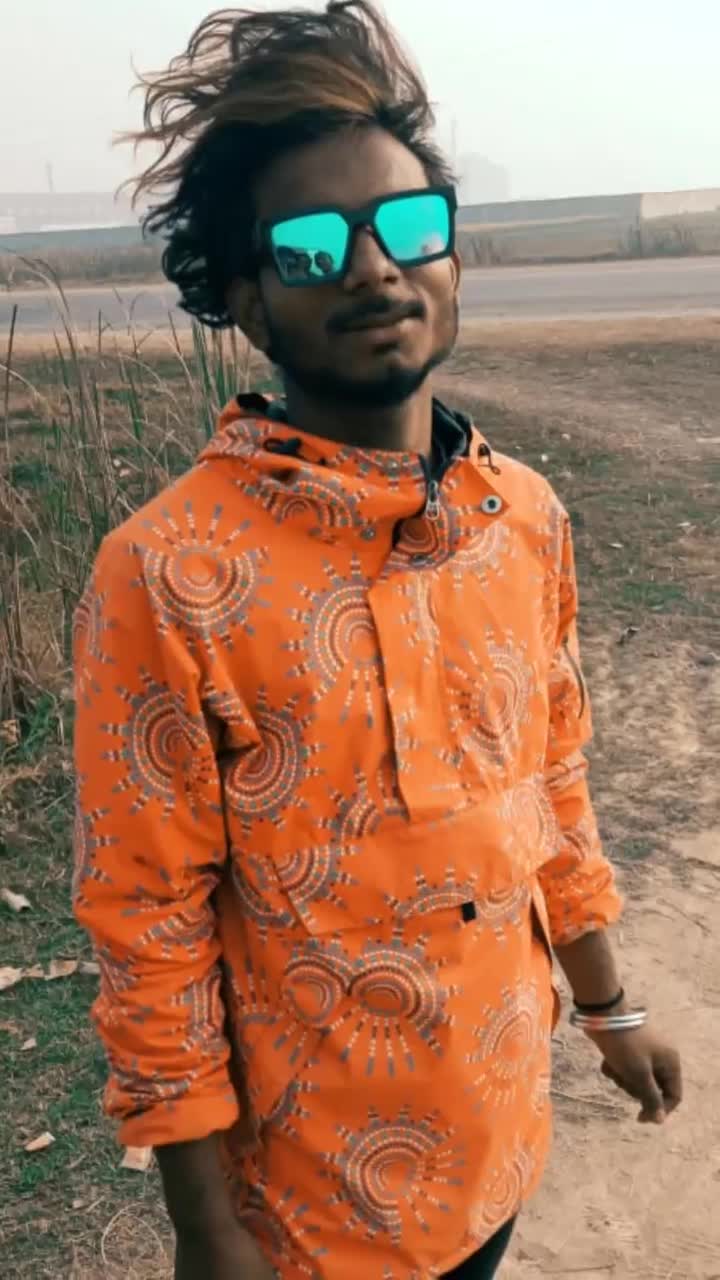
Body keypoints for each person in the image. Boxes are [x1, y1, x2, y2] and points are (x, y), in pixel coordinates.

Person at [72, 4, 683, 1278]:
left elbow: (552, 786)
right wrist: (206, 1226)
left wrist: (609, 1004)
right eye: (310, 247)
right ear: (247, 299)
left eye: (407, 227)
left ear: (451, 256)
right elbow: (148, 920)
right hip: (308, 1215)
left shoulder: (523, 517)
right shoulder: (169, 572)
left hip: (499, 1142)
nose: (371, 269)